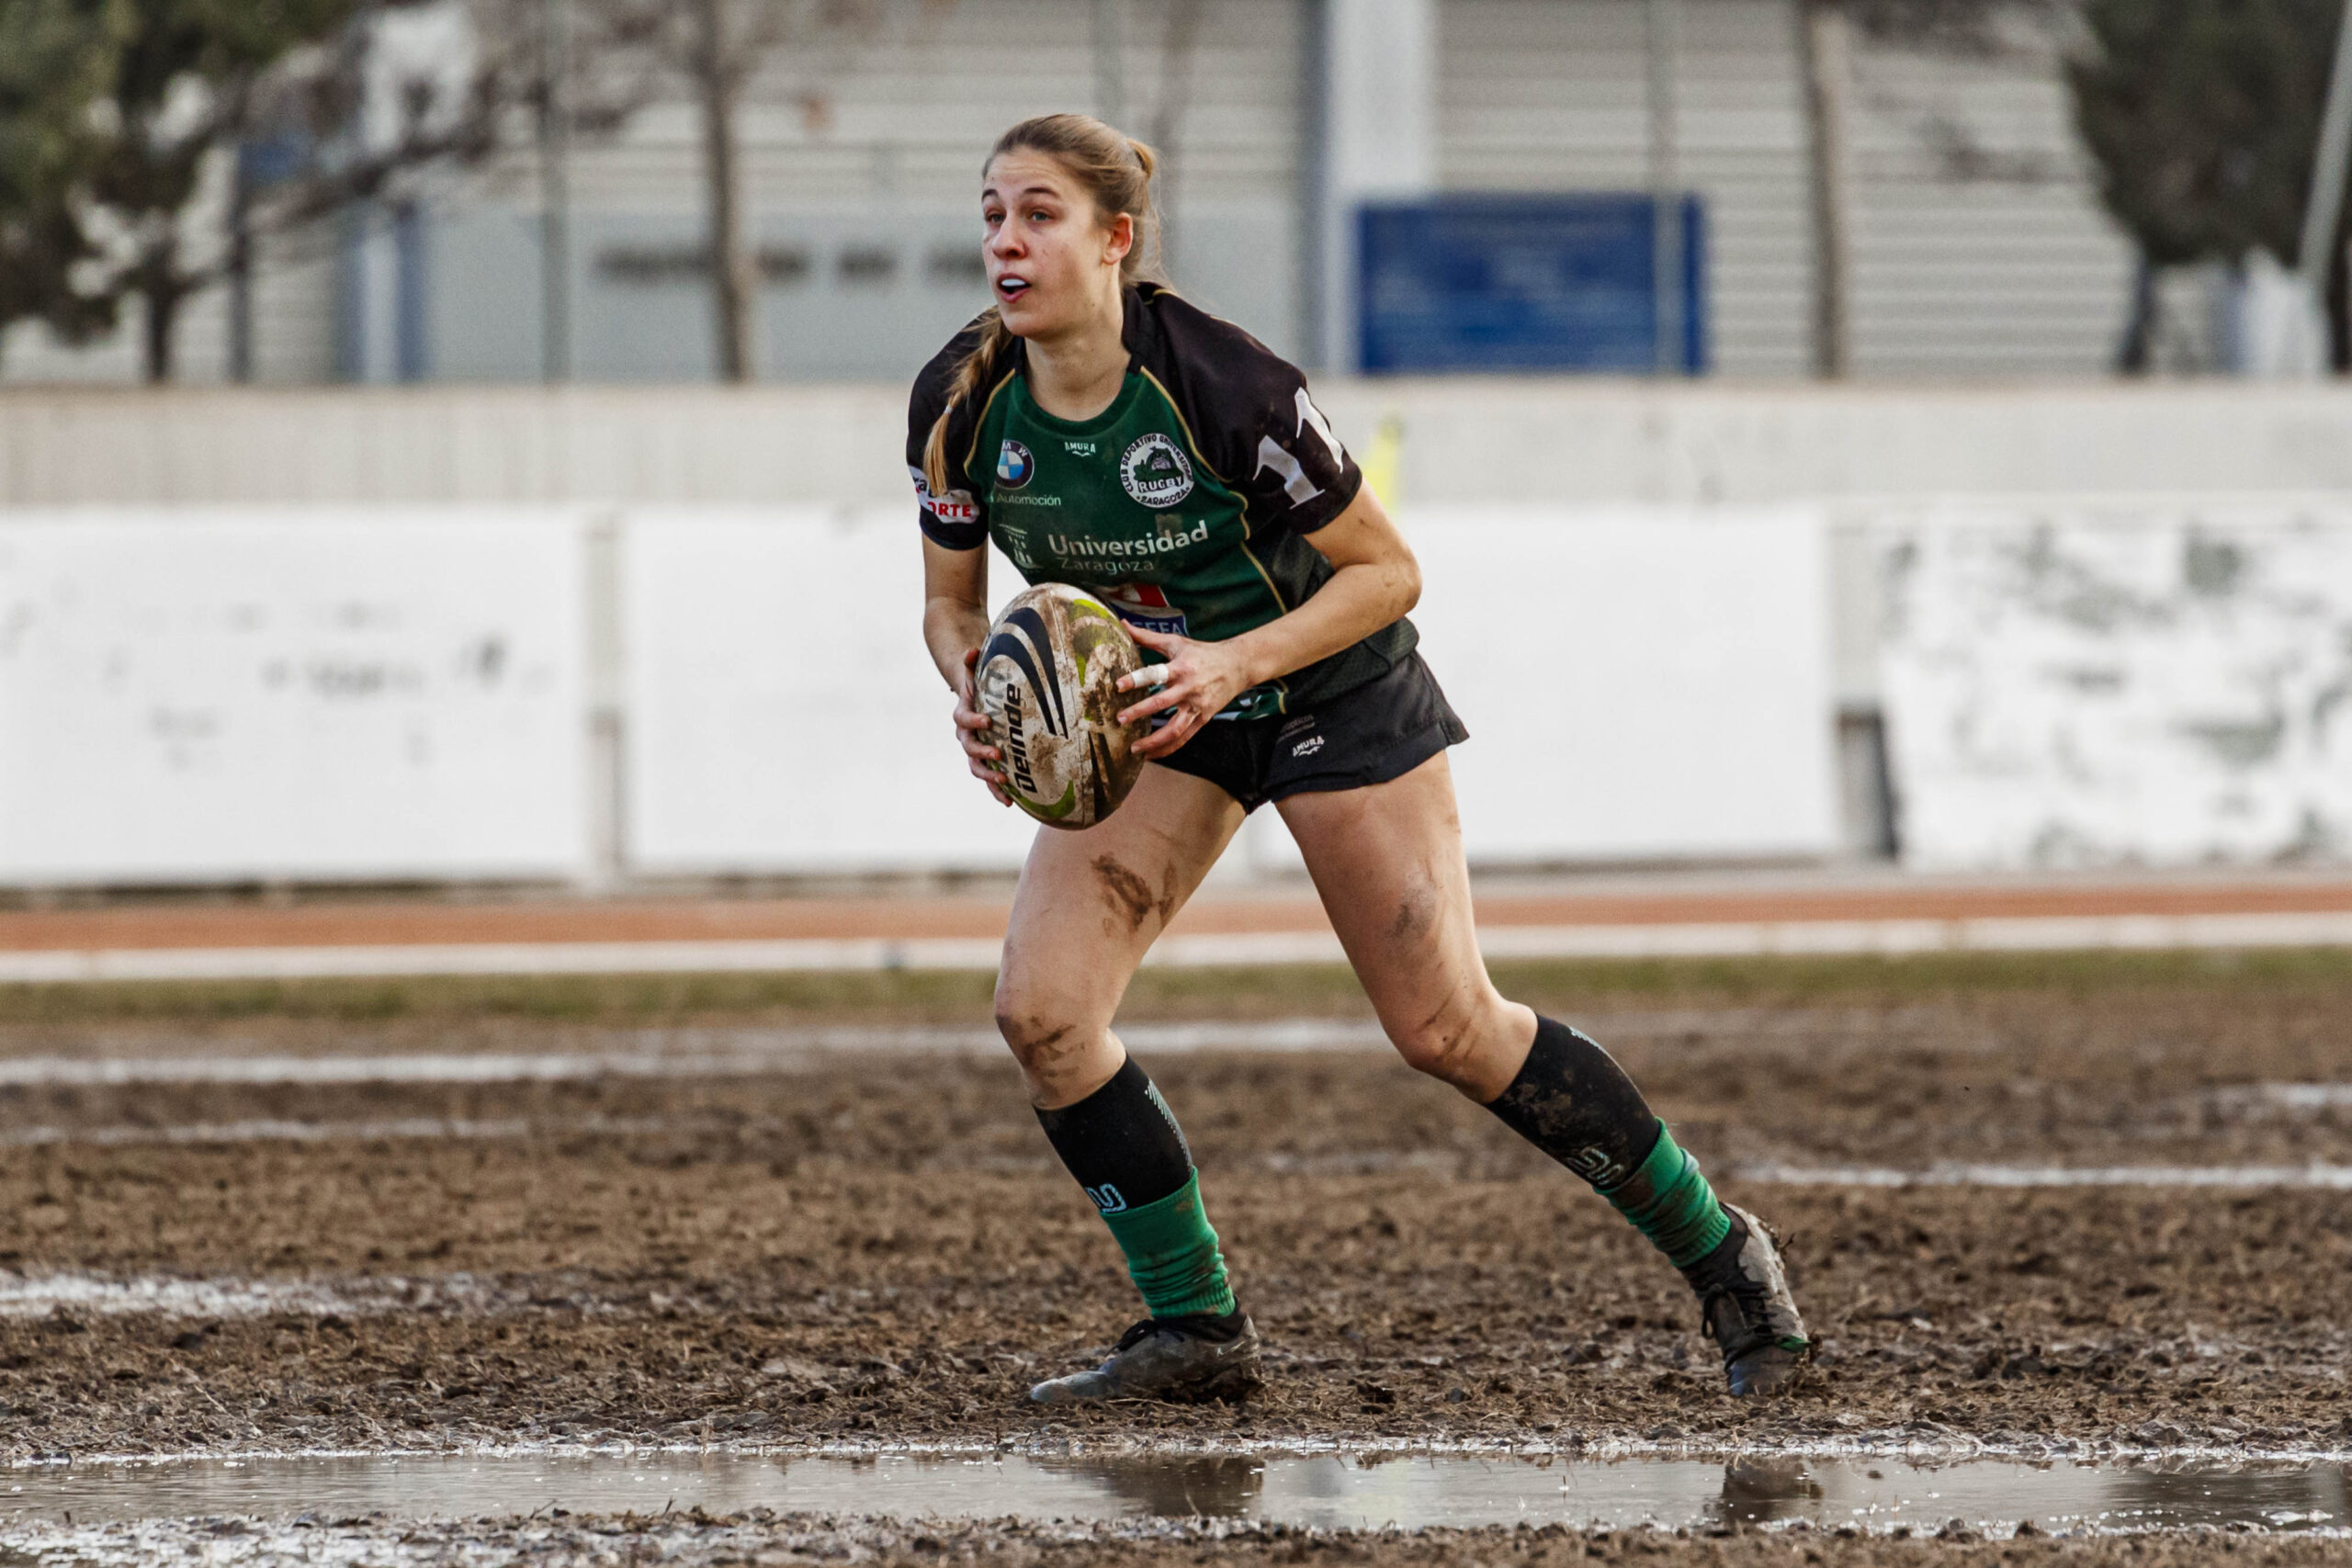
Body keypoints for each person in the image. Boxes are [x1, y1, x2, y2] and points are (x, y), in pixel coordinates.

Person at [910, 113, 1809, 1404]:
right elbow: (950, 605)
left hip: (1330, 684)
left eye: (1039, 213)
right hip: (1167, 709)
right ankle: (1195, 1332)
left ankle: (1723, 1255)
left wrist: (1237, 659)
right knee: (1043, 1012)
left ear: (1114, 240)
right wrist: (981, 689)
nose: (1006, 238)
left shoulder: (1225, 385)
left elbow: (1388, 574)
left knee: (1445, 1027)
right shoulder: (960, 399)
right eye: (993, 211)